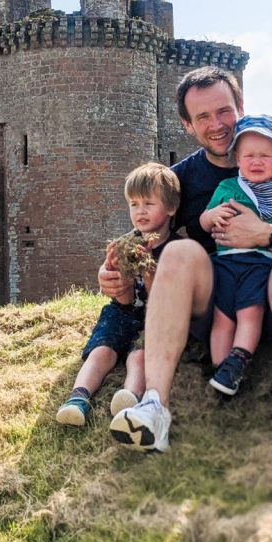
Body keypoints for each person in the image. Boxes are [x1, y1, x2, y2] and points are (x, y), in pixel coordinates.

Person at [107, 66, 272, 481]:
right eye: (203, 117)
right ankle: (155, 406)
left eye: (224, 111)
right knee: (177, 253)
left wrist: (264, 234)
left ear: (241, 107)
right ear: (187, 125)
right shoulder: (183, 179)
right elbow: (148, 238)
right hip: (212, 304)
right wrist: (117, 272)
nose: (217, 125)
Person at [56, 163, 181, 426]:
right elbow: (122, 297)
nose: (140, 211)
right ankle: (78, 397)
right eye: (134, 204)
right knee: (102, 350)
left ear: (170, 208)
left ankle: (129, 397)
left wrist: (147, 269)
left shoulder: (177, 248)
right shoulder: (125, 243)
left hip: (155, 318)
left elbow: (162, 300)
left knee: (138, 355)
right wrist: (115, 277)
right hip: (124, 311)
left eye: (148, 203)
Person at [199, 114, 272, 396]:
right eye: (249, 155)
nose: (256, 162)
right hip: (225, 262)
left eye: (265, 155)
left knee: (249, 312)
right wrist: (213, 215)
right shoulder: (227, 188)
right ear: (237, 159)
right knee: (223, 317)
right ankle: (220, 369)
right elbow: (203, 220)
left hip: (261, 262)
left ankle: (238, 360)